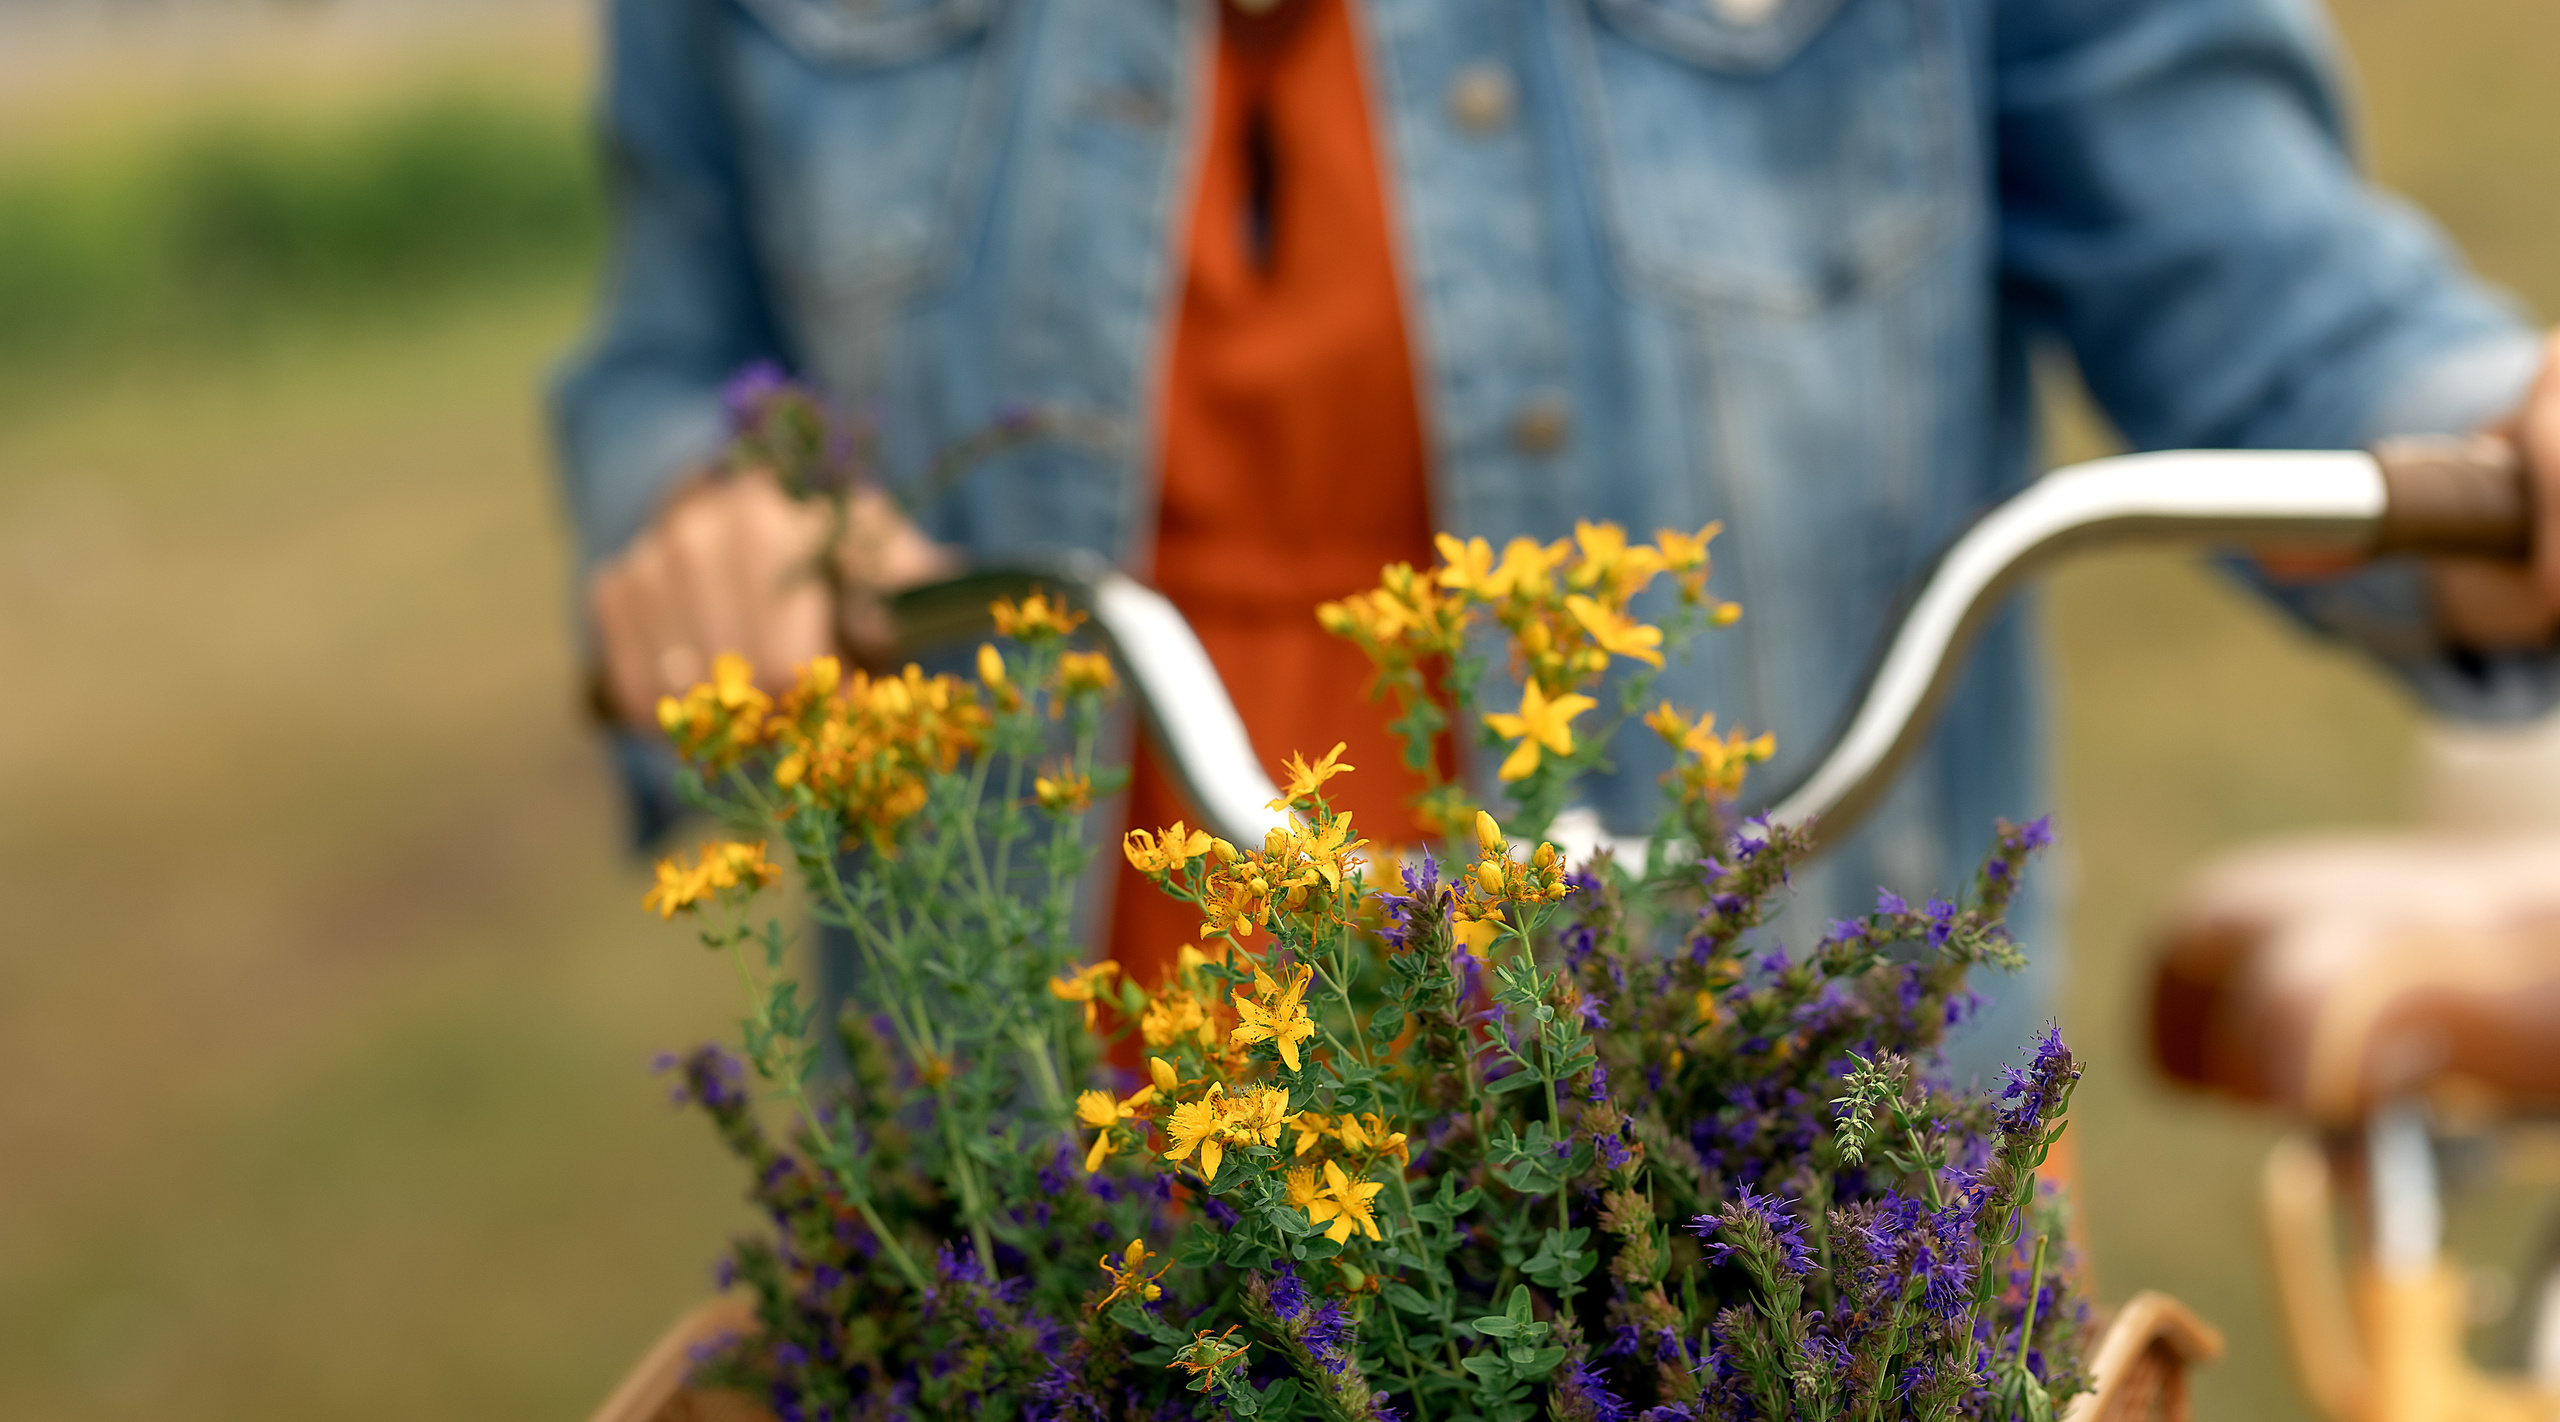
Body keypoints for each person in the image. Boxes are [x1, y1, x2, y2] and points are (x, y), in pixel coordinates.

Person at [556, 0, 2560, 1074]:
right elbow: (679, 352)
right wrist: (700, 521)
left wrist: (2496, 450)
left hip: (1767, 1262)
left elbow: (2256, 292)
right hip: (1039, 1235)